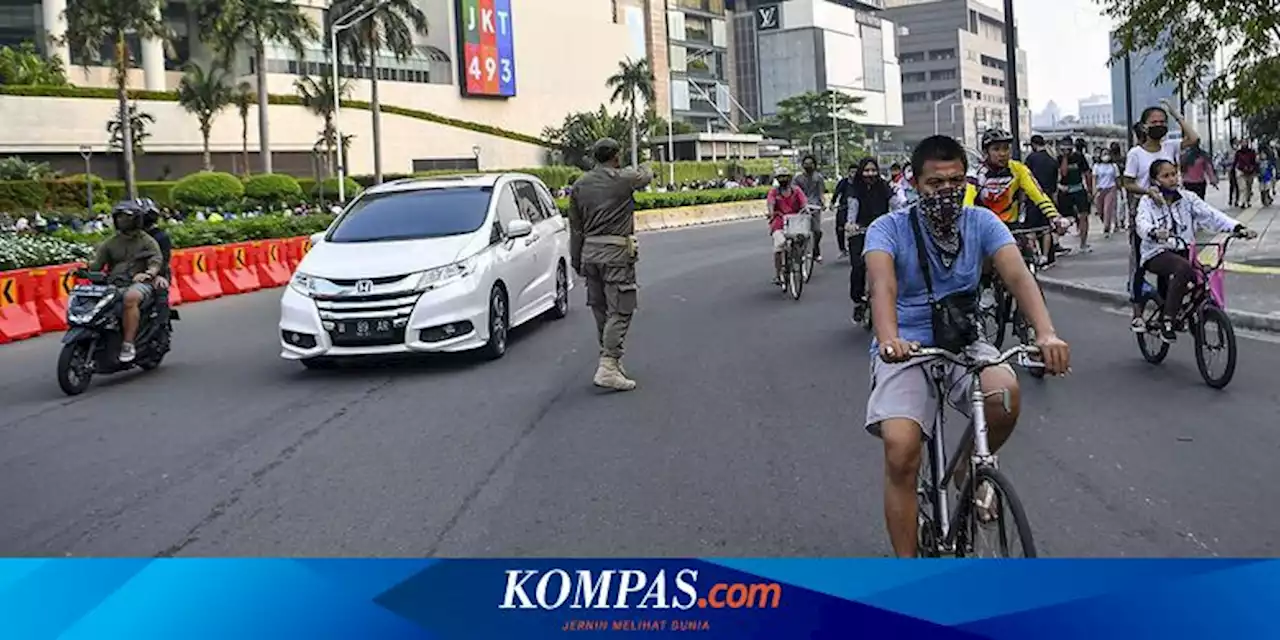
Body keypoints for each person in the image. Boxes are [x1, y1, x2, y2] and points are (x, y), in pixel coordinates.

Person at [864, 135, 1071, 558]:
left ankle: (967, 467)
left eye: (955, 181)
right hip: (906, 344)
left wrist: (1046, 333)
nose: (946, 192)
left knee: (1006, 394)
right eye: (935, 184)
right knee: (902, 449)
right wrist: (889, 340)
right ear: (915, 183)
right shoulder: (888, 228)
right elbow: (881, 287)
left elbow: (1017, 275)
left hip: (963, 338)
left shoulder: (982, 222)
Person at [567, 137, 653, 392]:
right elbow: (645, 176)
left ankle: (612, 361)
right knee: (621, 309)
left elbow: (576, 228)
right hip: (615, 253)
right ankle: (608, 364)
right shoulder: (622, 178)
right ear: (615, 156)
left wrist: (576, 259)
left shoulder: (580, 184)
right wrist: (647, 165)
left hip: (589, 253)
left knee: (601, 309)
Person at [1135, 159, 1255, 342]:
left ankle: (1186, 310)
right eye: (1165, 176)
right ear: (1155, 180)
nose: (1172, 179)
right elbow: (1141, 223)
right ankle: (1168, 320)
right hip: (1157, 252)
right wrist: (1154, 232)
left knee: (1201, 277)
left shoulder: (1188, 199)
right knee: (1183, 268)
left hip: (1184, 251)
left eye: (1174, 174)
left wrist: (1237, 227)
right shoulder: (1148, 202)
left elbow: (1211, 214)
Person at [1122, 101, 1200, 332]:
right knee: (1140, 265)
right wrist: (1148, 191)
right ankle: (1137, 314)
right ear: (1144, 126)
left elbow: (1193, 138)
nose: (1159, 126)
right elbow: (1127, 183)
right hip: (1147, 217)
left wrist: (1176, 114)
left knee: (1175, 264)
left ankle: (1169, 313)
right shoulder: (1136, 154)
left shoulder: (1171, 147)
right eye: (1154, 122)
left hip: (1174, 217)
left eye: (1162, 122)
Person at [965, 129, 1063, 268]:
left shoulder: (1019, 169)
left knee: (1027, 259)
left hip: (1012, 227)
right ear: (986, 152)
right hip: (985, 228)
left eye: (1006, 148)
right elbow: (967, 203)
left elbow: (1037, 194)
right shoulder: (975, 173)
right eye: (996, 149)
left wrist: (1055, 217)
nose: (1003, 153)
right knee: (984, 266)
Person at [86, 201, 164, 363]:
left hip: (141, 282)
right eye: (119, 217)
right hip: (115, 283)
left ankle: (128, 344)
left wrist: (148, 273)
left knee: (131, 297)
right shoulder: (111, 242)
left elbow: (156, 261)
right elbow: (96, 265)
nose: (122, 221)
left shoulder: (147, 241)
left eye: (126, 218)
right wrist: (83, 267)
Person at [848, 157, 892, 324]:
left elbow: (895, 204)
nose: (870, 174)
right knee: (858, 266)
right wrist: (850, 224)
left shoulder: (884, 186)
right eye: (866, 170)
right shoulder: (855, 188)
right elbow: (853, 207)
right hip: (860, 230)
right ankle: (858, 301)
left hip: (882, 230)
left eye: (873, 170)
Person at [766, 165, 809, 285]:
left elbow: (804, 202)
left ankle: (799, 261)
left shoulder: (796, 191)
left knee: (802, 239)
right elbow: (770, 203)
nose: (783, 179)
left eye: (785, 177)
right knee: (779, 247)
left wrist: (805, 209)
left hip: (795, 221)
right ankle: (778, 273)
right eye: (780, 177)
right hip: (779, 221)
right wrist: (771, 213)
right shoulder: (774, 192)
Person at [1057, 137, 1095, 253]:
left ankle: (1083, 243)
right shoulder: (1059, 159)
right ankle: (1057, 242)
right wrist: (1064, 157)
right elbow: (1063, 173)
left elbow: (1087, 173)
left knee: (1083, 216)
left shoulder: (1079, 157)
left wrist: (1089, 190)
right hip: (1065, 190)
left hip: (1078, 188)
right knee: (1063, 219)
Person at [793, 155, 827, 262]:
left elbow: (821, 193)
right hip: (801, 207)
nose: (808, 166)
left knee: (817, 231)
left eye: (810, 163)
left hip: (814, 206)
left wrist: (823, 203)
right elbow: (795, 192)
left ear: (814, 165)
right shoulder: (798, 178)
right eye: (806, 163)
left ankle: (816, 249)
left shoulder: (818, 178)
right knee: (799, 232)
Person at [832, 163, 860, 258]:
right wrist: (832, 203)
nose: (853, 174)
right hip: (844, 207)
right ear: (848, 173)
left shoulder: (861, 183)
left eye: (856, 172)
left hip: (856, 208)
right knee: (840, 228)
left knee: (855, 229)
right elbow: (836, 193)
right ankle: (842, 249)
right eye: (852, 172)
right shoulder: (843, 182)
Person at [1093, 147, 1121, 237]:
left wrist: (1119, 188)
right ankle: (1104, 221)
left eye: (1107, 154)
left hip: (1111, 188)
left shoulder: (1113, 166)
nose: (1106, 156)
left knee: (1107, 208)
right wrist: (1094, 190)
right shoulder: (1097, 166)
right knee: (1100, 210)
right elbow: (1094, 178)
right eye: (1104, 154)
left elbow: (1117, 178)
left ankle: (1107, 227)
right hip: (1100, 189)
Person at [1233, 139, 1259, 208]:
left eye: (1245, 142)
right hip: (1241, 171)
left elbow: (1254, 162)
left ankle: (1248, 200)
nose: (1244, 144)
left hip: (1250, 172)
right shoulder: (1238, 152)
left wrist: (1254, 169)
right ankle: (1243, 202)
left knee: (1249, 187)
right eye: (1242, 142)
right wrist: (1233, 170)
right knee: (1242, 187)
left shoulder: (1251, 152)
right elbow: (1235, 162)